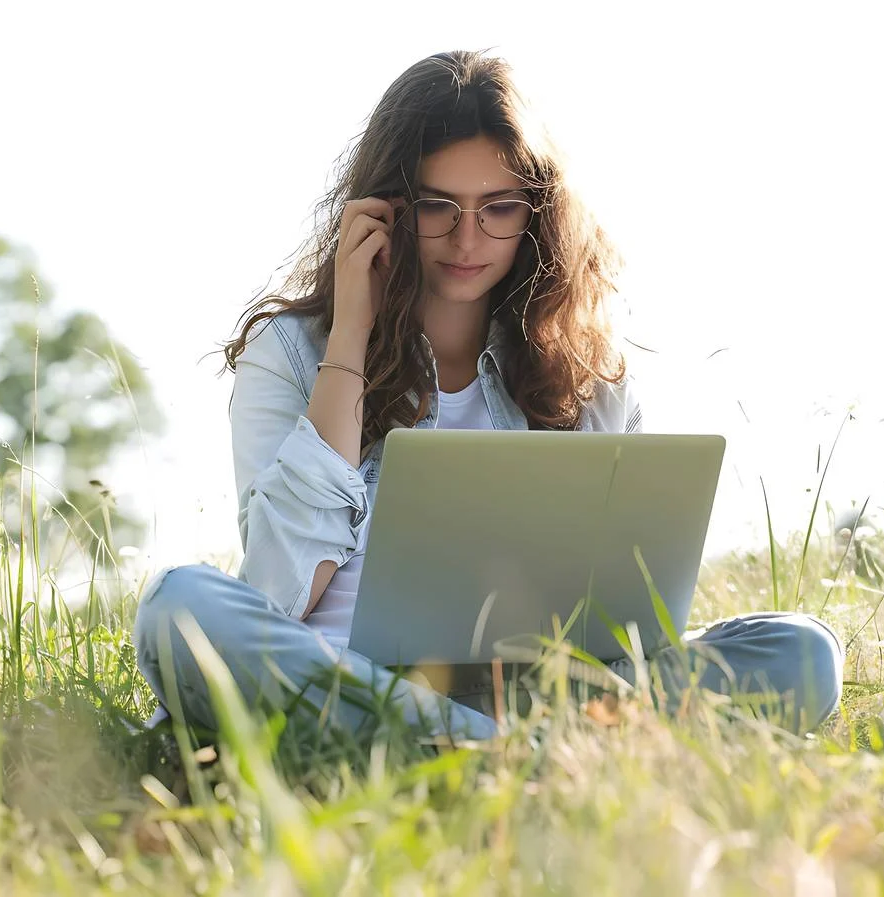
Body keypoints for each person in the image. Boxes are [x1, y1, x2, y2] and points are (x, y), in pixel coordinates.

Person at [133, 50, 843, 743]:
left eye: (499, 208)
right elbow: (278, 594)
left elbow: (616, 619)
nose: (467, 239)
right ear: (385, 209)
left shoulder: (584, 369)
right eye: (437, 207)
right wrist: (350, 335)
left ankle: (473, 749)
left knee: (801, 651)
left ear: (537, 214)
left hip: (538, 690)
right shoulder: (291, 351)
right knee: (180, 608)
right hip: (346, 679)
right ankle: (513, 755)